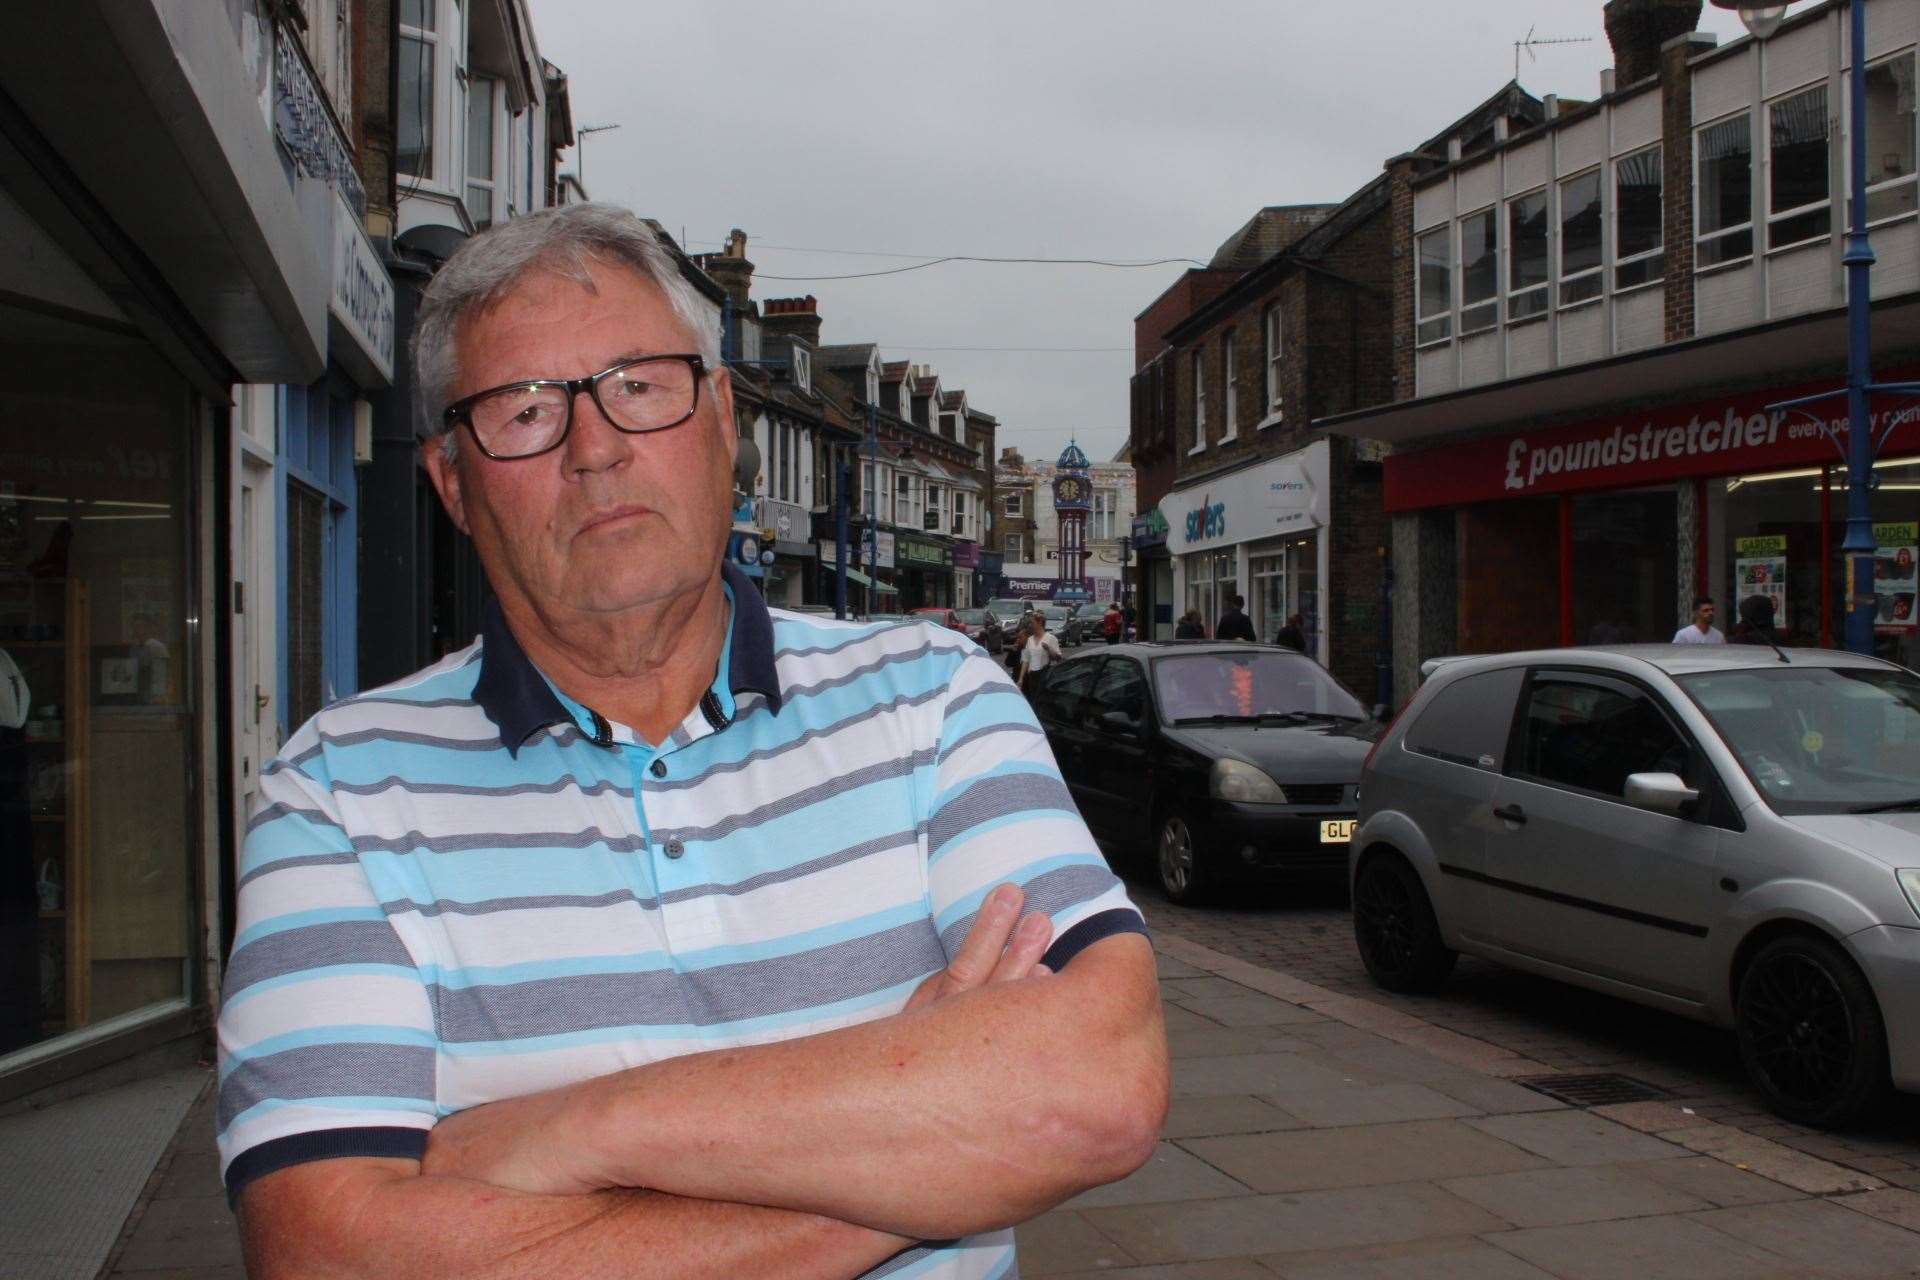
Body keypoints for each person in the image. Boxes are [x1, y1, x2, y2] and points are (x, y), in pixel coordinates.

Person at [219, 206, 1166, 1280]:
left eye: (640, 384)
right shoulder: (334, 792)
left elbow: (1097, 1085)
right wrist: (930, 1167)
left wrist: (583, 1128)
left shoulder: (933, 697)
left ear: (721, 417)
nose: (595, 448)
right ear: (453, 486)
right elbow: (327, 1254)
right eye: (523, 409)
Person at [1016, 611, 1062, 690]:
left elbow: (1058, 658)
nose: (1030, 625)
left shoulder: (1051, 638)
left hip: (1044, 677)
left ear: (1040, 622)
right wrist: (1021, 679)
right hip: (1032, 676)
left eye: (1032, 623)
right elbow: (1025, 660)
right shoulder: (1030, 640)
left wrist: (1048, 649)